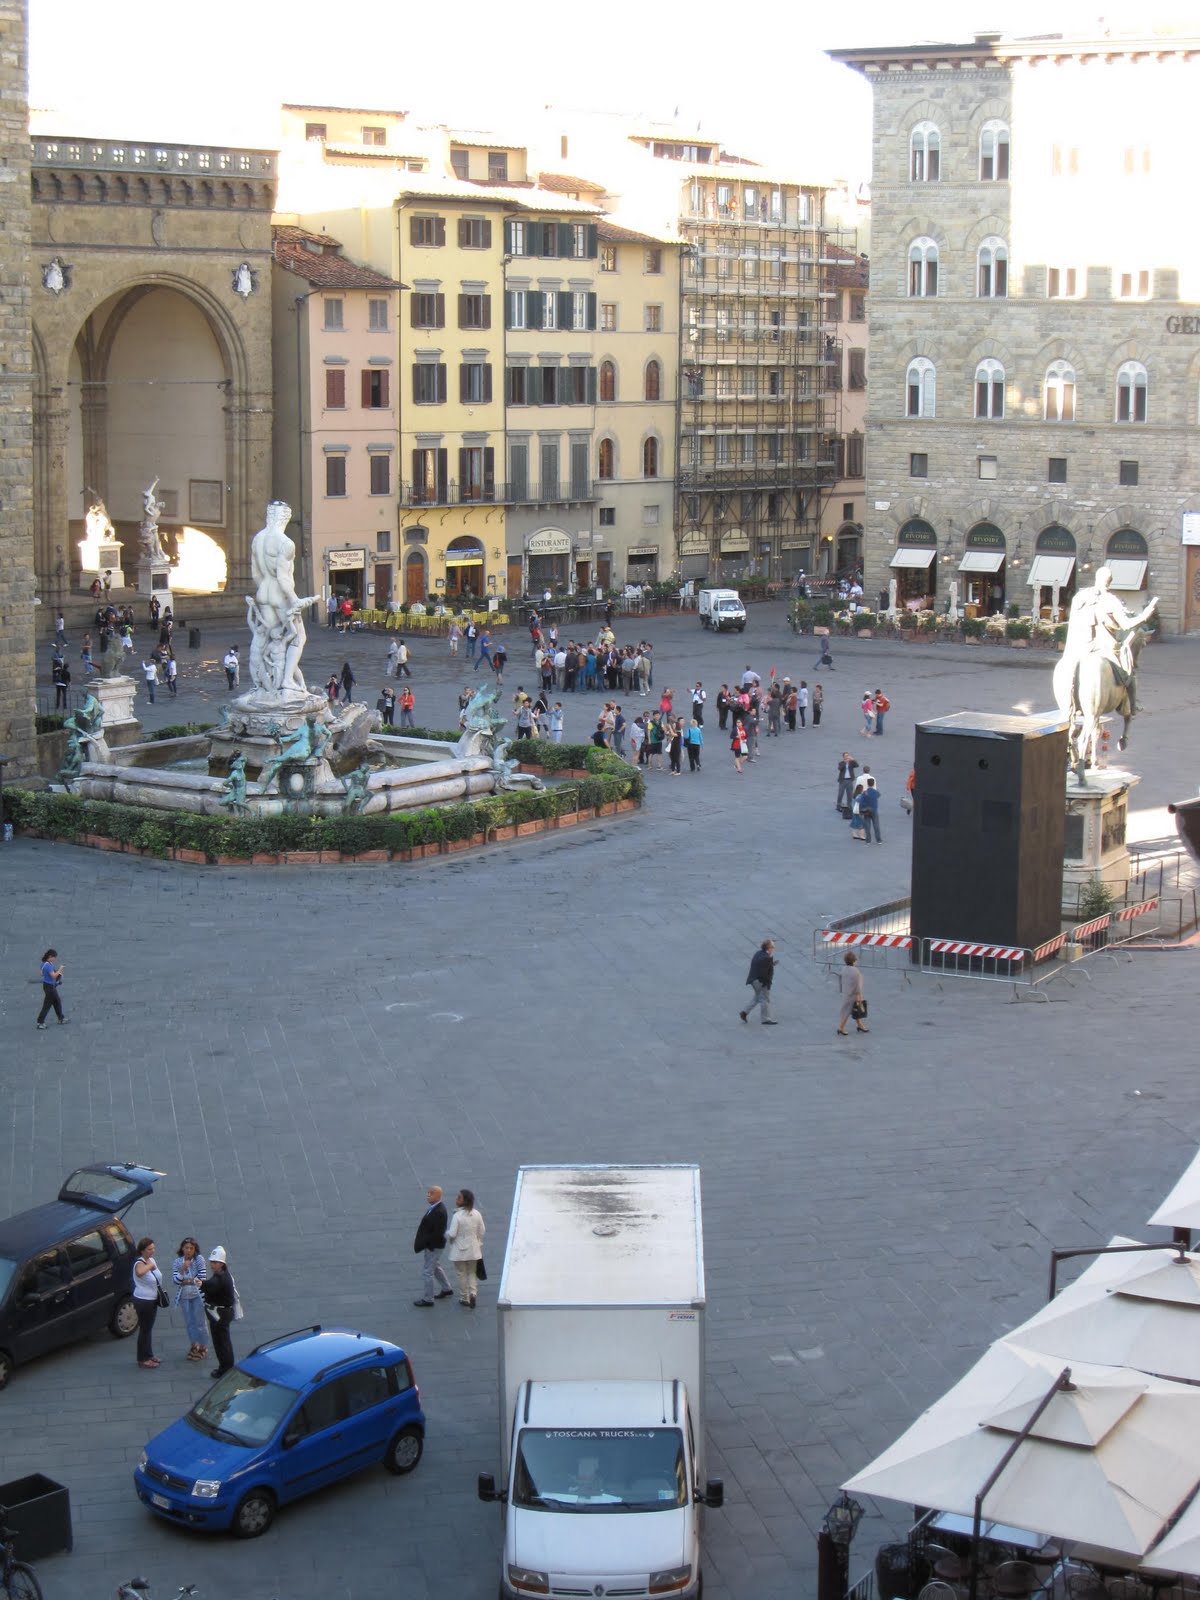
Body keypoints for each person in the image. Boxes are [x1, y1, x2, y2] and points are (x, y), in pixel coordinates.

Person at [412, 1185, 454, 1307]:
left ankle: (428, 1299)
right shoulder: (436, 1208)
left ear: (438, 1195)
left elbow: (436, 1232)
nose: (428, 1195)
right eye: (428, 1193)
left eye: (431, 1193)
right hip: (435, 1245)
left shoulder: (438, 1211)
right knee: (435, 1266)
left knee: (427, 1271)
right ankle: (447, 1288)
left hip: (433, 1246)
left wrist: (426, 1243)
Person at [446, 1188, 486, 1309]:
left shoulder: (457, 1216)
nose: (456, 1199)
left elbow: (452, 1234)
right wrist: (478, 1241)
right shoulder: (477, 1213)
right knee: (472, 1272)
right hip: (474, 1249)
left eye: (459, 1197)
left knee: (461, 1273)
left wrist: (447, 1235)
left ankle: (465, 1297)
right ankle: (473, 1293)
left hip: (459, 1250)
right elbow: (482, 1230)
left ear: (464, 1201)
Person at [201, 1245, 237, 1378]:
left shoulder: (220, 1278)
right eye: (211, 1262)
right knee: (223, 1341)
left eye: (214, 1262)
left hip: (220, 1314)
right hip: (224, 1313)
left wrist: (201, 1284)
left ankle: (225, 1368)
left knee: (221, 1342)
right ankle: (226, 1366)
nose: (212, 1265)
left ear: (221, 1263)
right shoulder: (224, 1275)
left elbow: (211, 1286)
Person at [173, 1238, 208, 1362]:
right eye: (186, 1248)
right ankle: (194, 1345)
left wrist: (186, 1281)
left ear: (195, 1250)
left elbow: (202, 1278)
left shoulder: (199, 1260)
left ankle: (203, 1346)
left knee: (200, 1323)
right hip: (184, 1297)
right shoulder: (178, 1262)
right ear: (182, 1248)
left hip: (197, 1296)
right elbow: (176, 1281)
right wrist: (183, 1269)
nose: (188, 1250)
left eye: (191, 1248)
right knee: (189, 1323)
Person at [132, 1238, 164, 1368]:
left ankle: (149, 1355)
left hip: (152, 1299)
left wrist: (151, 1264)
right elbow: (139, 1273)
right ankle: (142, 1358)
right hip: (144, 1300)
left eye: (153, 1248)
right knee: (144, 1330)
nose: (152, 1251)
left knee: (148, 1329)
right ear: (142, 1250)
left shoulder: (152, 1260)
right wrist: (150, 1266)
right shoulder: (139, 1263)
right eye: (149, 1249)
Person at [740, 938, 778, 1026]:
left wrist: (771, 964)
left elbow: (762, 966)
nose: (773, 949)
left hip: (753, 979)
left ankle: (744, 1012)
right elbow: (763, 973)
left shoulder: (759, 953)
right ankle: (766, 1019)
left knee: (757, 997)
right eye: (773, 947)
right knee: (764, 999)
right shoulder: (766, 958)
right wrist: (766, 984)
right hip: (760, 981)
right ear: (769, 948)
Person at [837, 952, 869, 1036]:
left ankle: (860, 1025)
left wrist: (841, 990)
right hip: (853, 994)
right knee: (848, 1011)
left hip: (846, 992)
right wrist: (859, 995)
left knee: (855, 1009)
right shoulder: (856, 971)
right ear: (854, 961)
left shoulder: (843, 969)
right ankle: (841, 1027)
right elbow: (858, 985)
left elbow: (840, 980)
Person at [36, 948, 66, 1028]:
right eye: (54, 957)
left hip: (48, 986)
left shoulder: (45, 964)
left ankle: (61, 1018)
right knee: (48, 1005)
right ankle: (40, 1023)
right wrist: (60, 969)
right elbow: (54, 975)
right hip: (50, 988)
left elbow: (41, 974)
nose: (54, 959)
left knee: (57, 1002)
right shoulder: (48, 966)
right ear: (50, 956)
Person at [858, 776, 882, 843]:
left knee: (867, 825)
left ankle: (868, 840)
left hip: (866, 810)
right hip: (874, 809)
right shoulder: (876, 792)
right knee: (876, 825)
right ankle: (878, 840)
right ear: (873, 784)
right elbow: (878, 795)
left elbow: (861, 802)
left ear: (867, 784)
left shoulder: (865, 792)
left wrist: (860, 811)